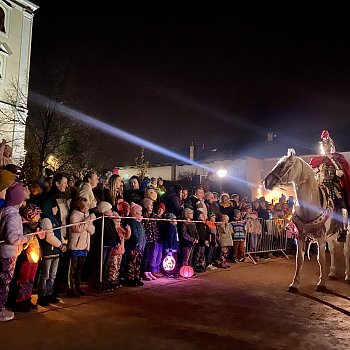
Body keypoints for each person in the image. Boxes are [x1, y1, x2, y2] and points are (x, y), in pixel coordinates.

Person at [310, 130, 350, 242]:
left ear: (331, 145)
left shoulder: (337, 158)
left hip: (333, 185)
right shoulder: (317, 160)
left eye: (327, 144)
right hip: (320, 185)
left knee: (341, 202)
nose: (325, 146)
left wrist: (332, 160)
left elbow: (341, 172)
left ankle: (343, 229)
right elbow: (313, 172)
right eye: (323, 144)